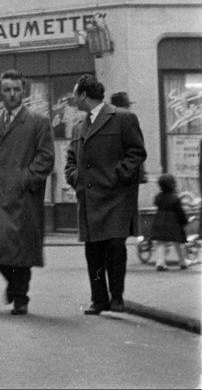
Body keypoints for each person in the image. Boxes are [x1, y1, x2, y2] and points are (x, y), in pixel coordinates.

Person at [65, 73, 147, 315]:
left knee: (115, 246)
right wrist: (75, 178)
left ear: (83, 95)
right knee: (93, 250)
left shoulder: (123, 118)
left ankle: (117, 298)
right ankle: (99, 300)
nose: (73, 98)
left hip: (115, 197)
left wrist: (119, 176)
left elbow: (136, 152)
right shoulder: (79, 126)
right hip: (89, 198)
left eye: (74, 94)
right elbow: (70, 159)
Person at [0, 69, 55, 316]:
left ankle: (21, 297)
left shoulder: (37, 122)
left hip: (23, 198)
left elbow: (46, 157)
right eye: (7, 90)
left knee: (21, 251)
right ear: (0, 93)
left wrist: (26, 179)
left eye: (17, 90)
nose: (12, 94)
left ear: (23, 91)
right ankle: (14, 286)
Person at [152, 174, 190, 271]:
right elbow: (180, 212)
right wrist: (184, 221)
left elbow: (155, 203)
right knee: (178, 243)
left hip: (160, 222)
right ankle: (183, 262)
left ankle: (160, 263)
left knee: (161, 243)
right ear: (173, 184)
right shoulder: (175, 198)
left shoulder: (158, 197)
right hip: (173, 224)